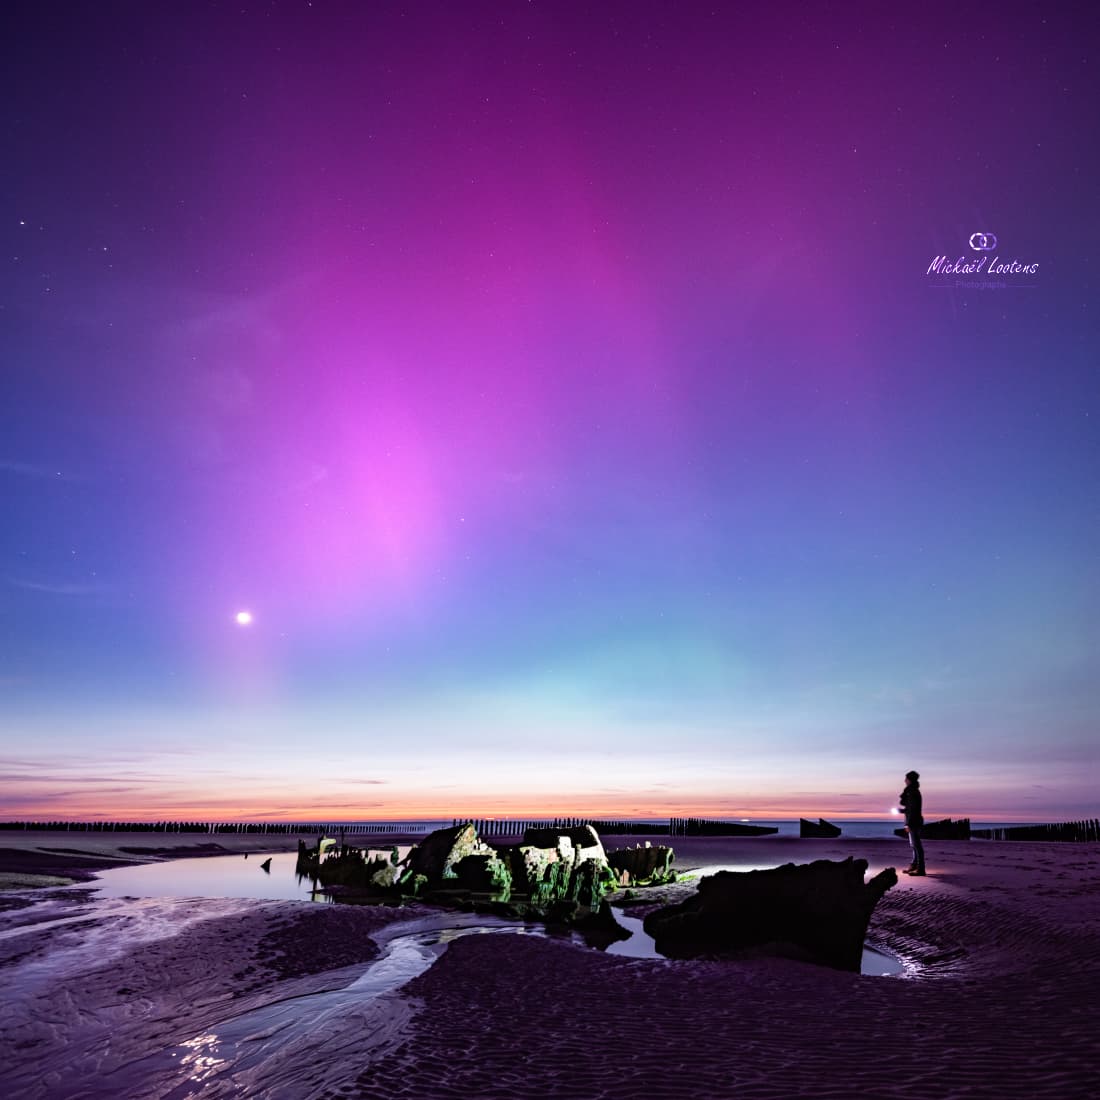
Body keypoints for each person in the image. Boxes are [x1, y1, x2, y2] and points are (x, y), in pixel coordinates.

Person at [899, 770, 926, 875]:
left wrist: (908, 824)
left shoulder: (913, 792)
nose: (904, 780)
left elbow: (913, 809)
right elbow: (910, 808)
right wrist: (902, 811)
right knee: (914, 845)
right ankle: (914, 865)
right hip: (914, 821)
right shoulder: (912, 791)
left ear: (910, 780)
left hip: (914, 822)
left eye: (906, 779)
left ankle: (920, 869)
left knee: (916, 845)